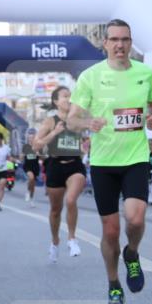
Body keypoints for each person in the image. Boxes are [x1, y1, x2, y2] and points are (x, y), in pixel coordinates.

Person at [67, 19, 152, 304]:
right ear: (104, 44)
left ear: (131, 43)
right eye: (114, 40)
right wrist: (87, 122)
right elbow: (71, 119)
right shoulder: (90, 77)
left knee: (135, 219)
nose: (120, 45)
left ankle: (132, 254)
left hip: (135, 157)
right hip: (104, 162)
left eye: (125, 39)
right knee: (109, 232)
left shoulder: (146, 73)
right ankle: (114, 285)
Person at [33, 86, 88, 262]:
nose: (69, 99)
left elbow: (86, 141)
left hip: (75, 165)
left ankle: (72, 239)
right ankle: (55, 241)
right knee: (55, 210)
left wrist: (85, 147)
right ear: (56, 101)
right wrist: (55, 133)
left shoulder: (78, 119)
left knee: (71, 200)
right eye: (65, 96)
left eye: (71, 96)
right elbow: (36, 145)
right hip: (55, 165)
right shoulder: (50, 121)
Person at [20, 130, 41, 206]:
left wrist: (39, 154)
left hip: (35, 166)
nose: (31, 139)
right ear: (28, 139)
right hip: (28, 166)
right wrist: (22, 156)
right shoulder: (25, 146)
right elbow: (21, 157)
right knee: (31, 178)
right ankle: (28, 192)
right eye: (29, 138)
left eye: (32, 138)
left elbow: (42, 157)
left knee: (33, 186)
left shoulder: (38, 146)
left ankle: (31, 199)